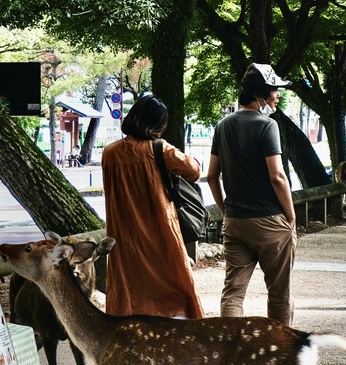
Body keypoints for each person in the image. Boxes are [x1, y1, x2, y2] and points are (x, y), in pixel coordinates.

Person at [206, 63, 297, 326]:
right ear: (260, 96)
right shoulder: (267, 126)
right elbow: (277, 176)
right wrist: (291, 217)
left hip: (235, 222)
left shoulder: (223, 125)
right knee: (279, 294)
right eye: (274, 91)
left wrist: (226, 211)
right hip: (269, 221)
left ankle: (231, 352)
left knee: (233, 293)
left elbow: (212, 175)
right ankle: (279, 353)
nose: (278, 95)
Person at [101, 94, 205, 319]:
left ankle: (130, 330)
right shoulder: (160, 149)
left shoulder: (109, 153)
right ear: (157, 124)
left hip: (124, 234)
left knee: (129, 287)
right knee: (175, 283)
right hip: (161, 232)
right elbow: (194, 172)